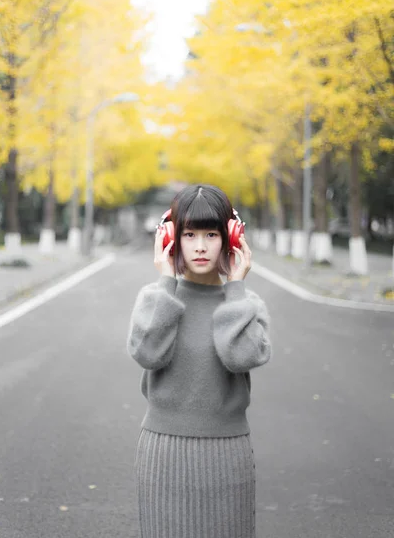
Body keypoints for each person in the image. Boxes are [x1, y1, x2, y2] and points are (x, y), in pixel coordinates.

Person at [127, 183, 272, 538]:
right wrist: (166, 283)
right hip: (163, 454)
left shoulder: (246, 304)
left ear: (231, 239)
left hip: (228, 455)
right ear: (172, 238)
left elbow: (242, 357)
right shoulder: (153, 298)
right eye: (190, 234)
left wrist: (235, 289)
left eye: (212, 233)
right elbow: (147, 353)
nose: (201, 246)